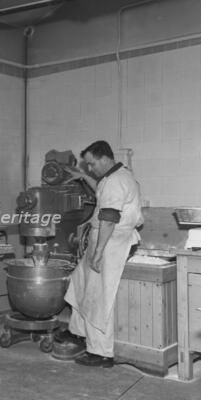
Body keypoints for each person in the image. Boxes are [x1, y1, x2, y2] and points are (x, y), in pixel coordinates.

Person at [62, 140, 143, 368]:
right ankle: (78, 332)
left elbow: (108, 218)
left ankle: (101, 352)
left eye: (91, 164)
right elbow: (100, 188)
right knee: (78, 283)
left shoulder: (116, 181)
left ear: (104, 158)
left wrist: (98, 253)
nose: (90, 168)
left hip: (112, 242)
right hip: (105, 239)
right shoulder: (113, 177)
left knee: (98, 297)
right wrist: (82, 176)